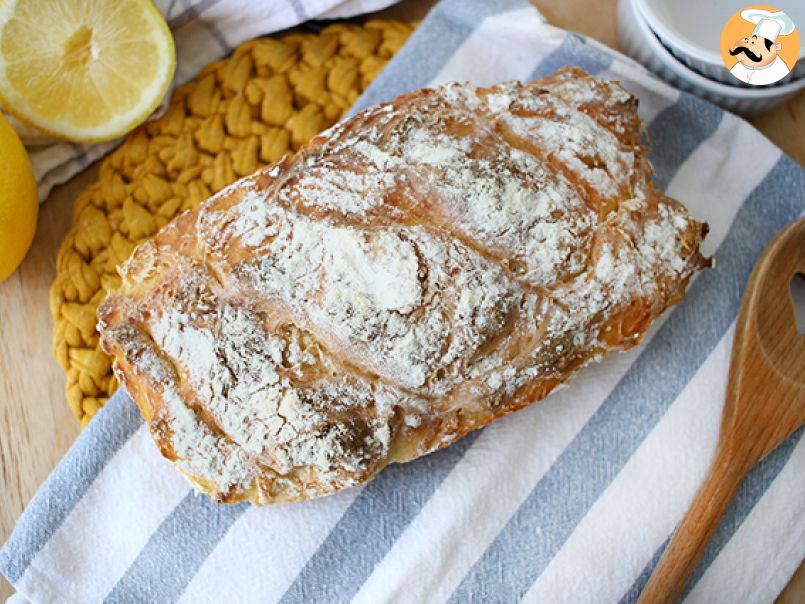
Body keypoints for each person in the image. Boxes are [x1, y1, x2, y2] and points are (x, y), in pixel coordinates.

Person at [728, 9, 796, 86]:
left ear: (775, 47)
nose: (745, 45)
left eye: (753, 43)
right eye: (747, 40)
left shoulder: (779, 70)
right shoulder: (738, 66)